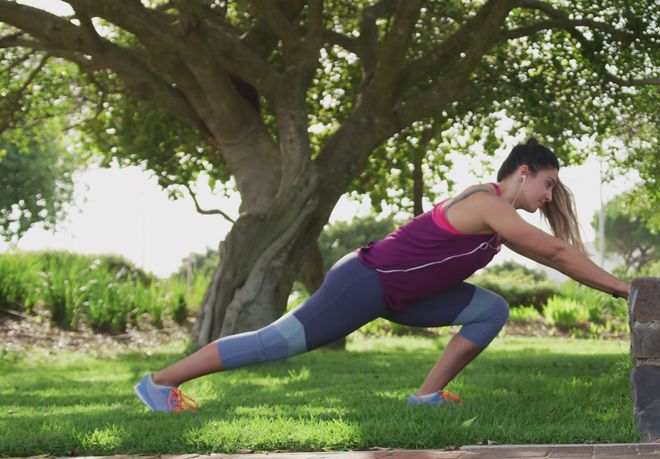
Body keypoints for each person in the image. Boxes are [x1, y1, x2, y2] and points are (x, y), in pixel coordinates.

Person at [134, 138, 631, 412]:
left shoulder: (493, 209)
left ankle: (426, 397)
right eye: (546, 185)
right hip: (365, 281)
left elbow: (553, 252)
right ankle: (158, 383)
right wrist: (623, 289)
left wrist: (615, 286)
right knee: (272, 343)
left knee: (489, 309)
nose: (547, 198)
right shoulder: (489, 205)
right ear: (522, 173)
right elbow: (556, 253)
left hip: (403, 295)